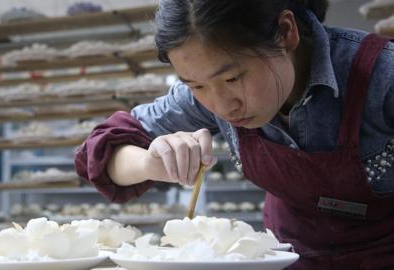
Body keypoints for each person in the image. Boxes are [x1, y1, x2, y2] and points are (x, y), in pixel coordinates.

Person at [75, 0, 394, 269]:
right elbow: (100, 151)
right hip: (288, 259)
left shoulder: (383, 77)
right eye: (196, 86)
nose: (221, 105)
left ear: (285, 33)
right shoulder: (202, 99)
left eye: (232, 78)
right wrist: (150, 162)